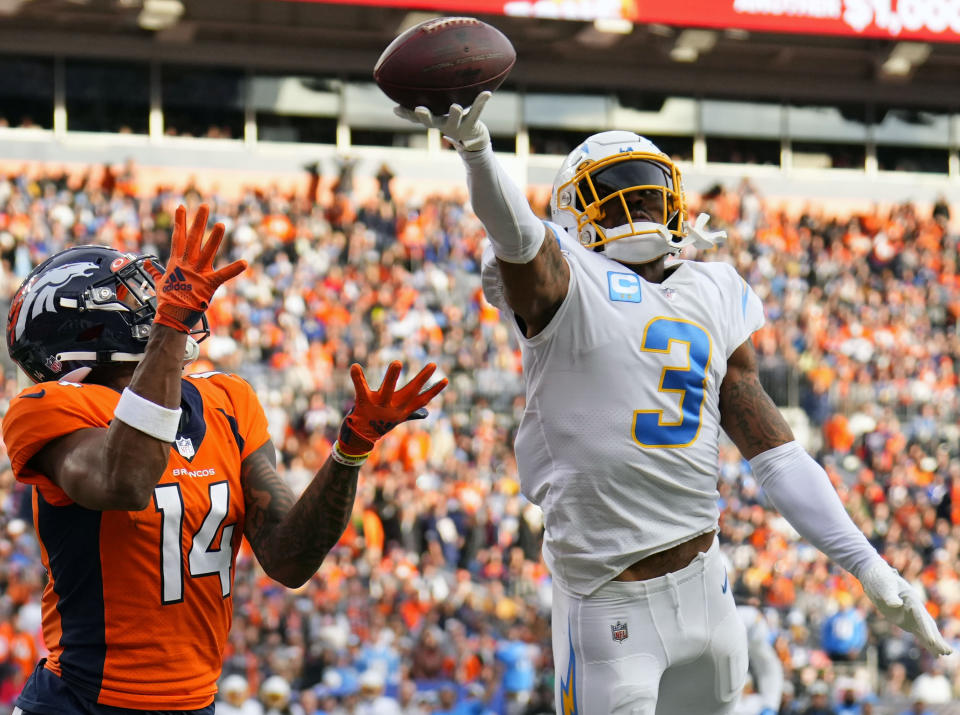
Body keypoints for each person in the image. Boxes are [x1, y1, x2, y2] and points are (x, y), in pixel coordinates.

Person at [395, 92, 951, 714]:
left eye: (646, 193)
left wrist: (869, 567)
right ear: (572, 215)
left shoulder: (713, 288)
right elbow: (519, 239)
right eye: (614, 193)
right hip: (610, 607)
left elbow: (777, 455)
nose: (634, 207)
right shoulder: (565, 280)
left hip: (708, 593)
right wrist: (476, 153)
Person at [2, 205, 447, 715]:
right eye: (135, 297)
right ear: (84, 326)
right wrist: (169, 324)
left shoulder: (227, 401)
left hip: (196, 704)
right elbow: (125, 480)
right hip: (80, 701)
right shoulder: (49, 408)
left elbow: (288, 559)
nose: (159, 304)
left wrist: (350, 450)